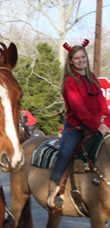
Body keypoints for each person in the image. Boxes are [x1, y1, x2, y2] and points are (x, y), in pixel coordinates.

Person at [47, 39, 110, 209]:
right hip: (76, 126)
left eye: (83, 57)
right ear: (71, 61)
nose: (81, 60)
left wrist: (108, 120)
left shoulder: (93, 78)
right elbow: (79, 109)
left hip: (96, 124)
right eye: (76, 58)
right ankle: (55, 188)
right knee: (65, 152)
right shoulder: (70, 82)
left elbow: (103, 104)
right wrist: (98, 125)